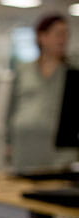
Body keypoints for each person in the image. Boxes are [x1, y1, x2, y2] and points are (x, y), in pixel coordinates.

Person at [7, 14, 78, 171]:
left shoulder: (72, 72)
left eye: (67, 34)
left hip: (59, 153)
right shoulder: (23, 70)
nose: (64, 39)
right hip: (25, 148)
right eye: (59, 34)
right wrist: (8, 141)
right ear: (42, 37)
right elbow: (11, 108)